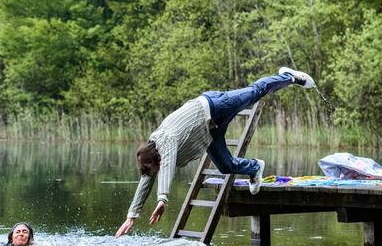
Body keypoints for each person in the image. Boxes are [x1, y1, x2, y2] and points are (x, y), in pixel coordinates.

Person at [115, 67, 315, 237]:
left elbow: (166, 165)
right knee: (225, 166)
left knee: (255, 92)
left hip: (215, 106)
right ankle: (255, 167)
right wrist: (131, 215)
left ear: (155, 157)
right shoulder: (154, 155)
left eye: (153, 168)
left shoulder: (164, 141)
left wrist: (162, 198)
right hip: (209, 131)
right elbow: (146, 179)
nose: (154, 172)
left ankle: (290, 77)